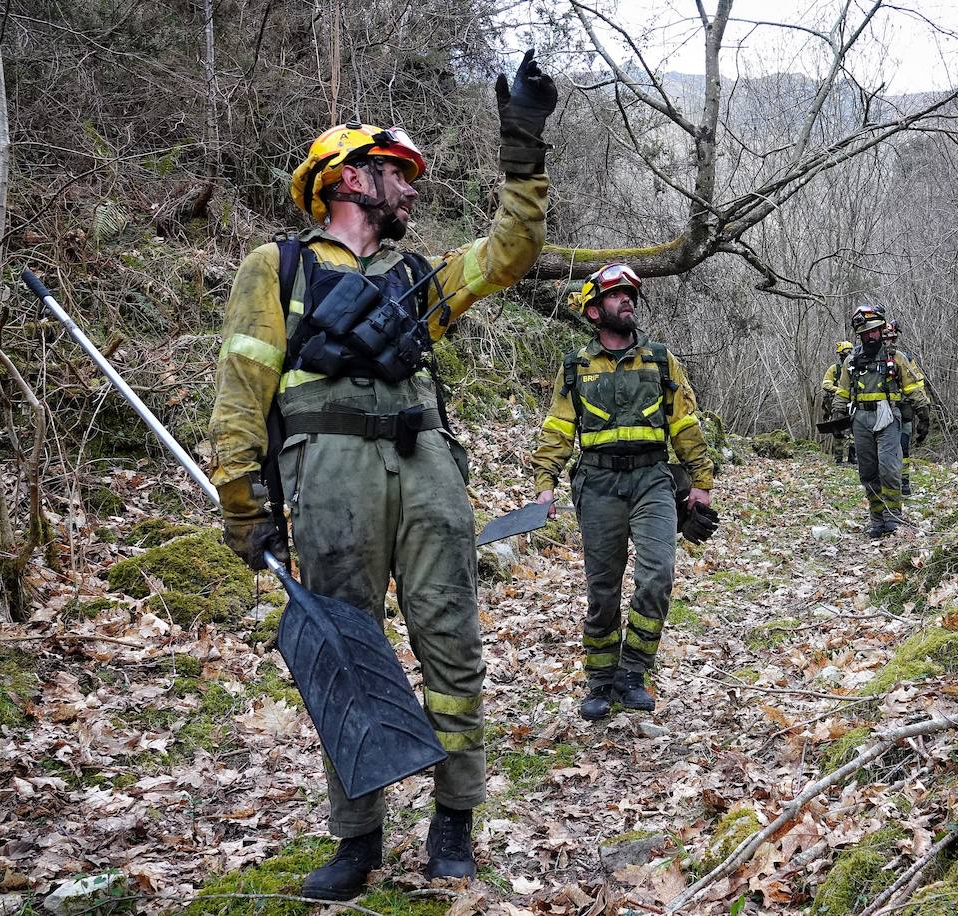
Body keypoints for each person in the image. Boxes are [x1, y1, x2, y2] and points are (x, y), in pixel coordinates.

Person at [207, 52, 555, 897]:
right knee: (346, 654)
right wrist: (240, 501)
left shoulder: (416, 279)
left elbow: (512, 249)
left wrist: (524, 147)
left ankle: (454, 819)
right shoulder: (277, 268)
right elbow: (241, 384)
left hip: (427, 467)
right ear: (348, 178)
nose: (412, 191)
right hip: (326, 476)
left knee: (453, 645)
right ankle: (358, 838)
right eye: (399, 174)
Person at [529, 264, 715, 721]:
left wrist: (702, 483)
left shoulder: (659, 360)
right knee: (603, 589)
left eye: (630, 294)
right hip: (597, 485)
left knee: (657, 576)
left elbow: (684, 423)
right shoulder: (575, 367)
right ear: (594, 311)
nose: (627, 300)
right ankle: (599, 679)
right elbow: (557, 428)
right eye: (616, 295)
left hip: (653, 479)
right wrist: (544, 486)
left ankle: (633, 671)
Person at [833, 305, 930, 537]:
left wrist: (924, 415)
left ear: (880, 329)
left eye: (874, 331)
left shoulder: (895, 358)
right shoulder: (852, 360)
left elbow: (914, 387)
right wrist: (837, 415)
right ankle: (877, 519)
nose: (870, 336)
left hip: (888, 418)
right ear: (860, 335)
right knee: (868, 471)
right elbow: (843, 391)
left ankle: (893, 517)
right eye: (865, 333)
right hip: (860, 419)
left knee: (889, 468)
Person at [883, 321, 931, 495]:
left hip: (904, 411)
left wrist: (924, 413)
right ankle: (887, 484)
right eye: (886, 339)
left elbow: (916, 386)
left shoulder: (905, 358)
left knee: (904, 447)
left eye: (892, 338)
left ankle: (904, 482)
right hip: (880, 413)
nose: (889, 342)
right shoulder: (869, 358)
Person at [821, 340, 856, 464]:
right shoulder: (834, 369)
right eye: (842, 355)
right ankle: (838, 458)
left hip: (854, 402)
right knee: (837, 430)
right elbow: (826, 384)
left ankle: (853, 457)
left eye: (846, 354)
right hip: (838, 402)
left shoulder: (856, 367)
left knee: (854, 430)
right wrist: (839, 390)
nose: (844, 357)